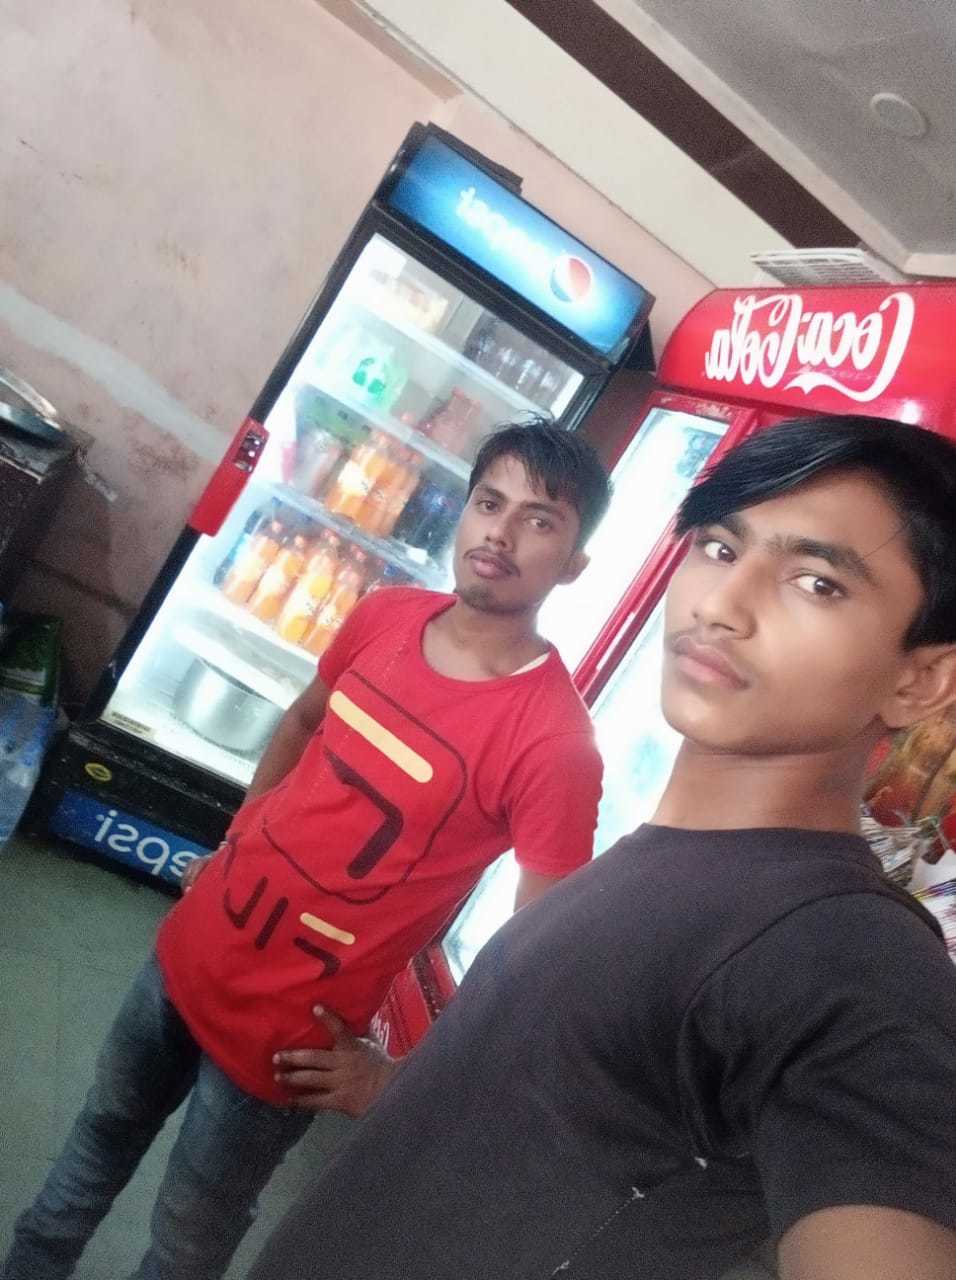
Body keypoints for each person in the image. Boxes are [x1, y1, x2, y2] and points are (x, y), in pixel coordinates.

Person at [246, 415, 956, 1280]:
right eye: (721, 548)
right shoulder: (670, 855)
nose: (720, 606)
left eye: (817, 583)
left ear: (921, 679)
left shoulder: (845, 953)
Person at [1, 420, 609, 1280]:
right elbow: (300, 721)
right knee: (97, 1138)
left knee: (187, 1234)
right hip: (191, 952)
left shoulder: (554, 744)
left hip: (290, 1038)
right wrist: (235, 841)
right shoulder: (385, 616)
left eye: (539, 520)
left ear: (574, 563)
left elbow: (541, 959)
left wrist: (400, 1078)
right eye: (489, 502)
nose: (501, 534)